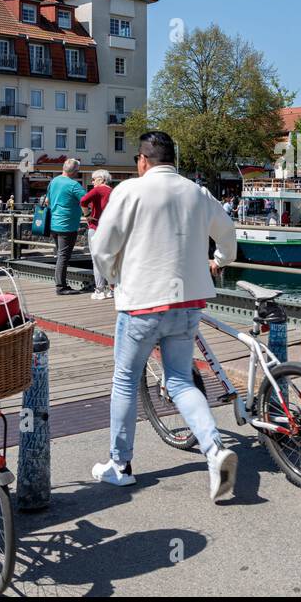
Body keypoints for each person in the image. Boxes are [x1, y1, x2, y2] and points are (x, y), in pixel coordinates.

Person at [89, 131, 239, 501]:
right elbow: (228, 237)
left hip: (141, 302)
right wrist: (218, 262)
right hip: (188, 303)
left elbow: (102, 246)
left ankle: (120, 466)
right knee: (181, 380)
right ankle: (214, 450)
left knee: (125, 379)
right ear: (174, 159)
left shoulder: (129, 191)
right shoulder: (197, 192)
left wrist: (110, 279)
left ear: (142, 160)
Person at [46, 158, 86, 296]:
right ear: (75, 171)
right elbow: (87, 200)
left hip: (54, 224)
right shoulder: (74, 185)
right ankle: (61, 287)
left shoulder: (53, 181)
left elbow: (47, 200)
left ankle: (61, 284)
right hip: (67, 225)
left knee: (60, 255)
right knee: (63, 256)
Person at [80, 170, 113, 300]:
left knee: (97, 260)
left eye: (93, 179)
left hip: (97, 227)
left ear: (101, 179)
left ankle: (99, 290)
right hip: (110, 230)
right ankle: (112, 290)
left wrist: (87, 215)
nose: (92, 182)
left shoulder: (98, 190)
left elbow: (83, 201)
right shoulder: (113, 191)